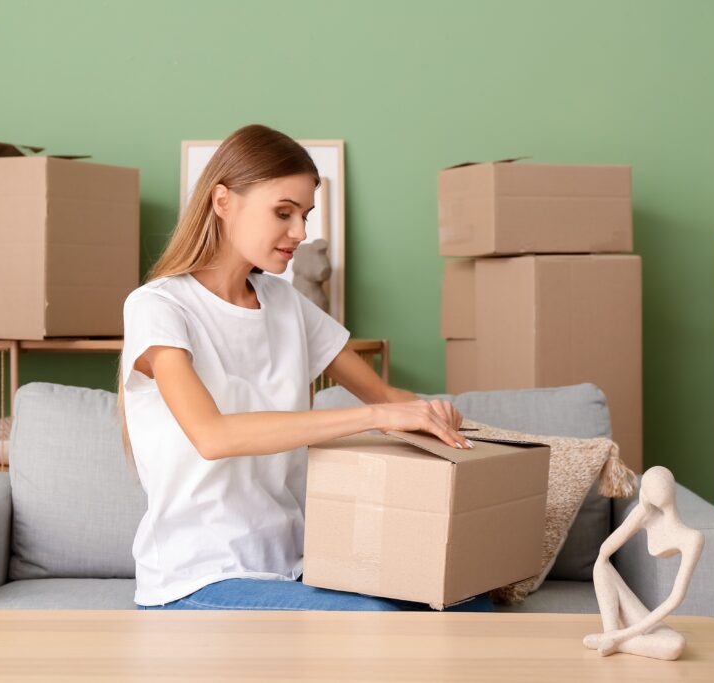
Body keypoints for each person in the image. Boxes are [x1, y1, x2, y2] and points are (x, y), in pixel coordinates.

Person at [117, 123, 487, 612]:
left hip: (292, 564)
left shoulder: (285, 303)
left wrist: (447, 421)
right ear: (223, 201)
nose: (300, 233)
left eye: (306, 215)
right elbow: (213, 437)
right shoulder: (158, 306)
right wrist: (376, 419)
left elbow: (385, 397)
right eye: (283, 213)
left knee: (466, 603)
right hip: (200, 574)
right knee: (387, 621)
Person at [583, 466, 704, 660]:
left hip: (647, 621)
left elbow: (675, 599)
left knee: (675, 646)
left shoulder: (692, 538)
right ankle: (610, 633)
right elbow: (604, 551)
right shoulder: (646, 514)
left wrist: (623, 635)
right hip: (632, 623)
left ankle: (614, 641)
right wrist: (641, 510)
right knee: (601, 565)